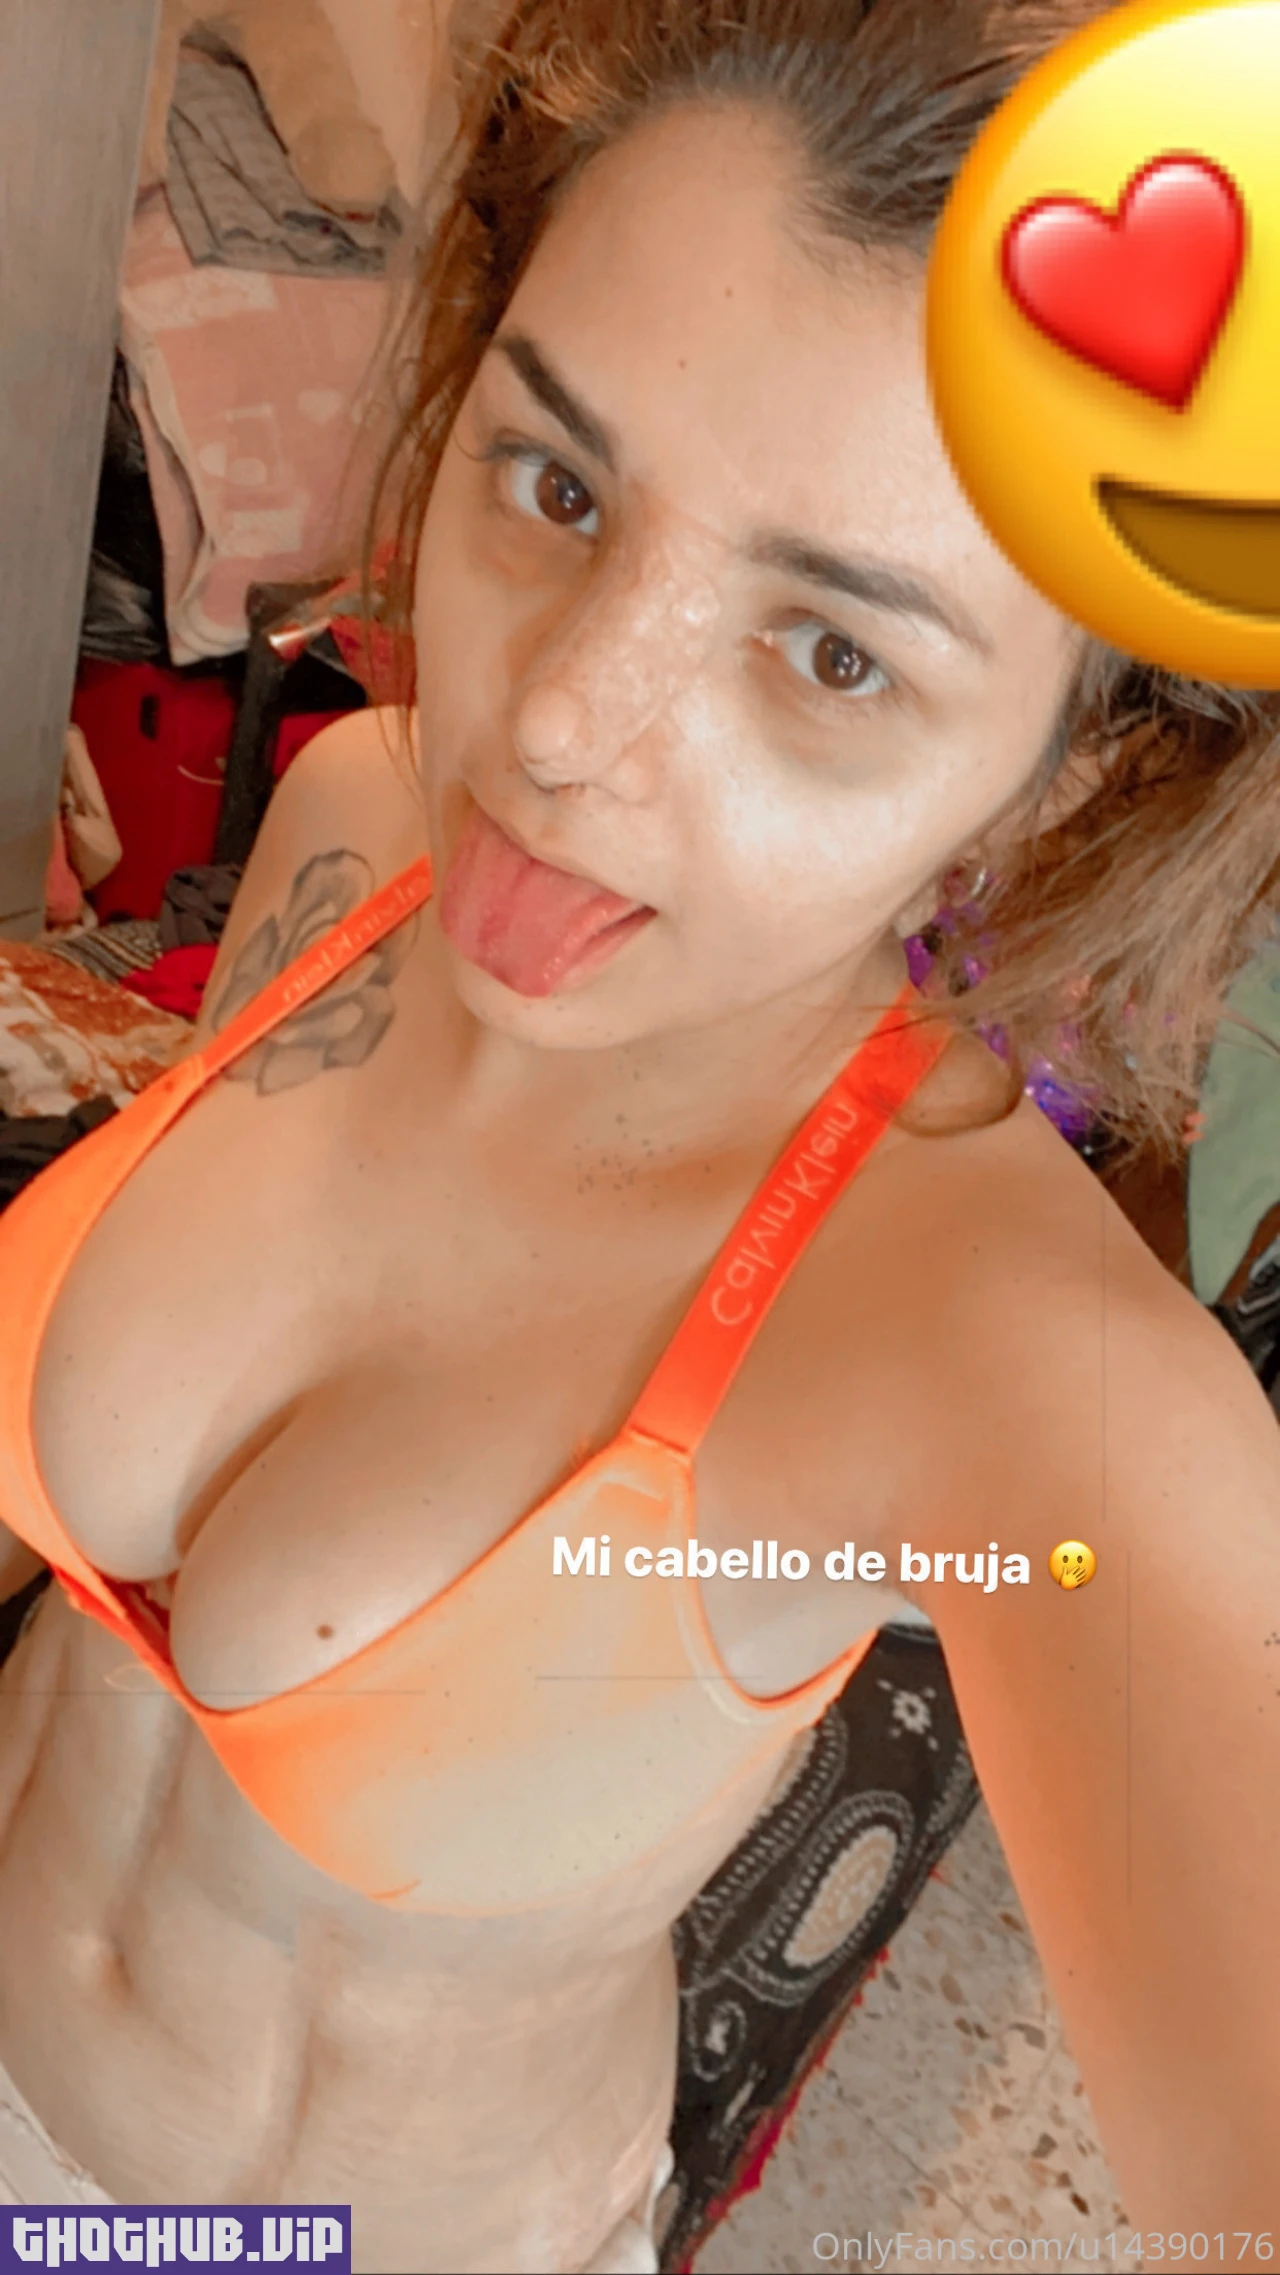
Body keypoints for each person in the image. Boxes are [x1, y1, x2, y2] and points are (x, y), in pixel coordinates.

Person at [1, 1, 1278, 2269]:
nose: (559, 727)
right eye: (559, 486)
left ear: (1066, 777)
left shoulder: (989, 1348)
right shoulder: (355, 824)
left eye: (834, 655)